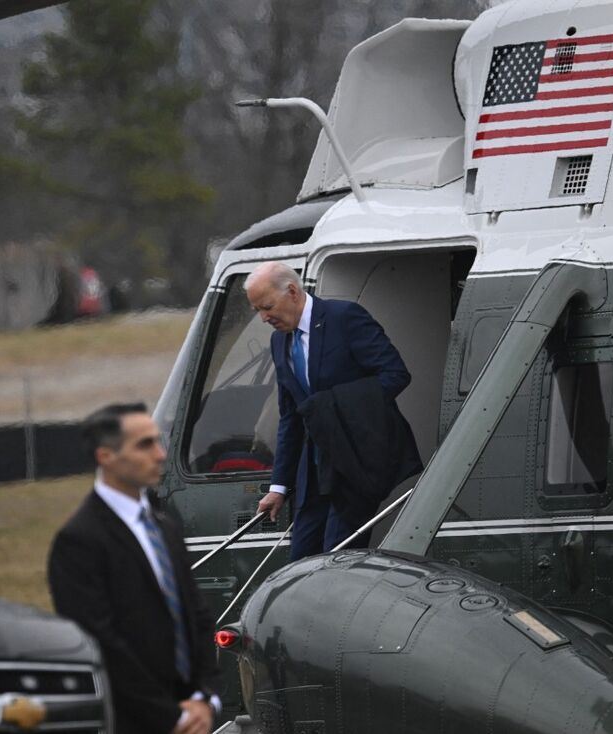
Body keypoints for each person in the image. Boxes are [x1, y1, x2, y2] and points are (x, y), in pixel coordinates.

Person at [48, 403, 221, 734]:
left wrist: (204, 698)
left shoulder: (165, 528)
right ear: (106, 457)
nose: (160, 455)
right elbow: (102, 643)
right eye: (144, 445)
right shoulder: (79, 541)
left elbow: (196, 616)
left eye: (158, 442)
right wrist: (171, 717)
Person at [246, 262, 422, 560]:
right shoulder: (279, 342)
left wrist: (333, 407)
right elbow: (291, 416)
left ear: (291, 292)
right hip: (314, 474)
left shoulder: (344, 318)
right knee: (300, 562)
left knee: (336, 562)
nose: (264, 318)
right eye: (258, 311)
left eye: (267, 307)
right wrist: (279, 486)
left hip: (354, 463)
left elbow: (395, 374)